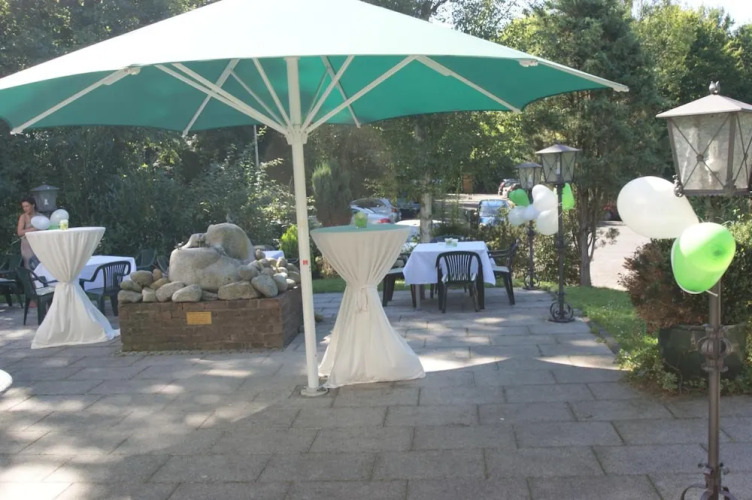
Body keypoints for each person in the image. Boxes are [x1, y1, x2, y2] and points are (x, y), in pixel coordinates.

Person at [17, 196, 39, 268]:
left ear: (33, 205)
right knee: (29, 264)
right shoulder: (23, 217)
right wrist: (32, 229)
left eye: (27, 206)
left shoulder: (39, 216)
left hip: (38, 243)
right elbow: (19, 232)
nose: (25, 208)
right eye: (23, 207)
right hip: (27, 245)